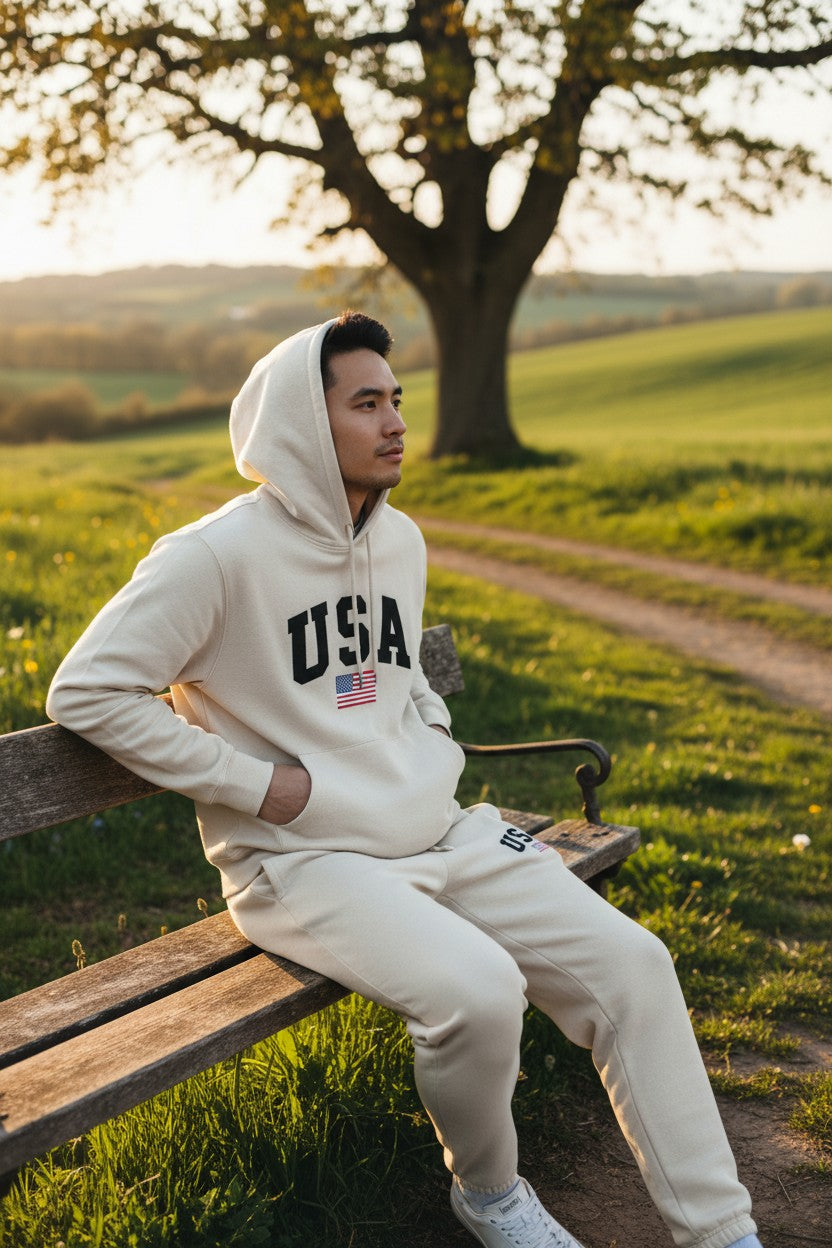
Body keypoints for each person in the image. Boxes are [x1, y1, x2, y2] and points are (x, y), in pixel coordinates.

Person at [46, 312, 763, 1248]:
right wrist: (259, 786)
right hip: (304, 862)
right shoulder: (212, 557)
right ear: (307, 421)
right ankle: (492, 1195)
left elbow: (406, 679)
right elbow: (88, 690)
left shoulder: (402, 541)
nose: (395, 424)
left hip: (446, 832)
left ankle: (722, 1232)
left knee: (637, 967)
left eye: (397, 401)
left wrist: (430, 739)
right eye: (367, 403)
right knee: (476, 991)